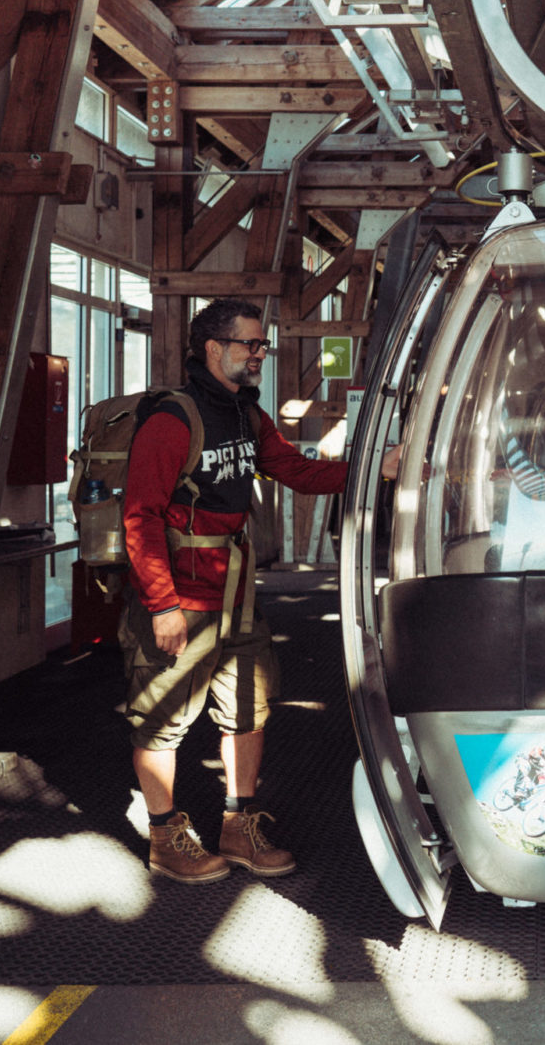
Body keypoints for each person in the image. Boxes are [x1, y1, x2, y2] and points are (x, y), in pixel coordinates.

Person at [121, 299, 393, 883]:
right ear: (214, 348)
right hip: (182, 599)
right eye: (251, 344)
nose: (260, 354)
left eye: (262, 345)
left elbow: (297, 471)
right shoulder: (172, 420)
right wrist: (163, 606)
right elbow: (140, 517)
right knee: (162, 719)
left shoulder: (247, 415)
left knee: (248, 709)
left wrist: (376, 468)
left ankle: (236, 826)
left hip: (238, 597)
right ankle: (165, 836)